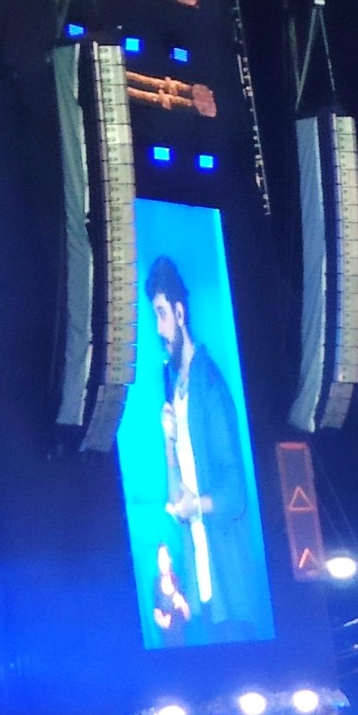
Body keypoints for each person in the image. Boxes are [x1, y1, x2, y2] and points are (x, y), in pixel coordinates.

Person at [146, 253, 265, 645]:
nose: (159, 328)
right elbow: (176, 496)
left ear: (180, 313)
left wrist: (197, 505)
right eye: (154, 317)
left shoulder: (209, 384)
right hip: (203, 589)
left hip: (229, 584)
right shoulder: (174, 385)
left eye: (162, 314)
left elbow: (235, 494)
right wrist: (167, 440)